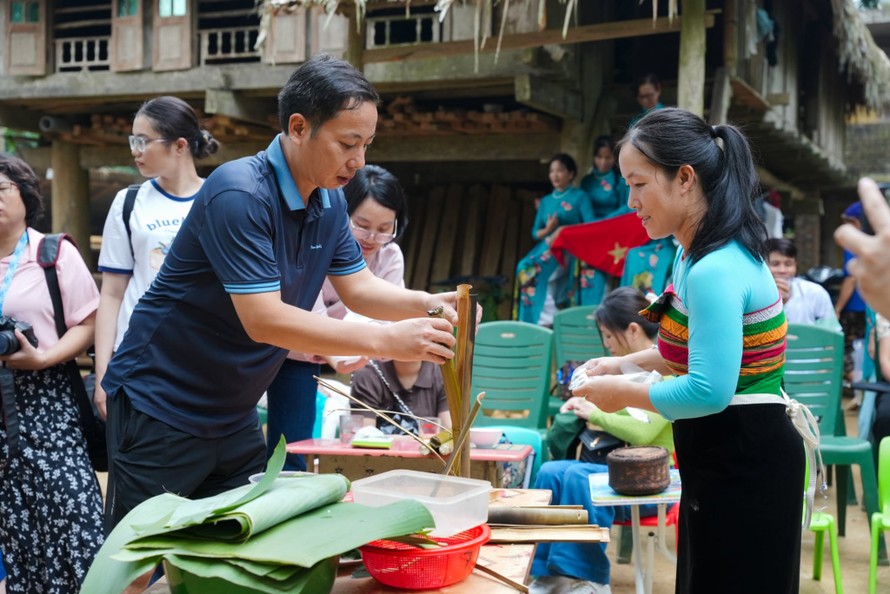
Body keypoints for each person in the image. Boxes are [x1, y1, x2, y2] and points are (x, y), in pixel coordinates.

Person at [101, 55, 466, 546]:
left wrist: (430, 304)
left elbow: (358, 287)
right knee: (136, 559)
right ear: (299, 127)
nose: (358, 161)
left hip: (232, 414)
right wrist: (386, 339)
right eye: (347, 143)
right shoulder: (240, 192)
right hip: (161, 405)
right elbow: (264, 319)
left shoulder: (329, 199)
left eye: (367, 145)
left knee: (241, 551)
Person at [573, 108, 805, 593]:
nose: (630, 201)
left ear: (684, 178)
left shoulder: (713, 268)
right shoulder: (692, 253)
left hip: (746, 455)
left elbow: (708, 390)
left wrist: (622, 392)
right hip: (719, 453)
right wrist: (624, 361)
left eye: (638, 184)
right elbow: (690, 349)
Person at [0, 154, 104, 593]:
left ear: (25, 196)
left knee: (74, 516)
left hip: (49, 398)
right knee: (16, 526)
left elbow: (90, 321)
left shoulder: (53, 253)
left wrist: (43, 358)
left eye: (0, 191)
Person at [266, 164, 408, 470]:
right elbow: (309, 315)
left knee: (309, 451)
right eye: (362, 224)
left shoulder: (390, 256)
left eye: (385, 229)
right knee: (275, 445)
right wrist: (342, 352)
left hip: (333, 355)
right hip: (287, 347)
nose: (372, 238)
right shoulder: (313, 243)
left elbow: (387, 314)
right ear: (340, 213)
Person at [530, 287, 672, 594]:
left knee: (579, 477)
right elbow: (617, 420)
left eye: (609, 336)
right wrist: (582, 408)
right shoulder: (622, 372)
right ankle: (548, 575)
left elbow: (643, 433)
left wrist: (594, 413)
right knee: (551, 473)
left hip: (653, 481)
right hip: (613, 473)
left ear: (633, 330)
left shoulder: (667, 372)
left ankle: (588, 579)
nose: (606, 344)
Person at [94, 96, 219, 419]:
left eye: (143, 141)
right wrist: (103, 371)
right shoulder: (129, 201)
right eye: (132, 140)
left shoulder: (218, 200)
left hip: (201, 358)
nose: (135, 150)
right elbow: (111, 293)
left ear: (179, 146)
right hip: (137, 358)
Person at [516, 153, 595, 326]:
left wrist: (564, 230)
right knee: (524, 267)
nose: (555, 175)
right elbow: (535, 233)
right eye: (552, 171)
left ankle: (546, 319)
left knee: (536, 270)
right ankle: (539, 318)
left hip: (569, 247)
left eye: (560, 170)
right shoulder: (546, 201)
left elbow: (591, 225)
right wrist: (549, 229)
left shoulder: (580, 196)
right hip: (547, 246)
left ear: (571, 174)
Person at [835, 177, 890, 318]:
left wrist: (838, 308)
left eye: (849, 222)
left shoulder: (859, 247)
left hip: (860, 308)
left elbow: (851, 280)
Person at [350, 358, 451, 434]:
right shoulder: (367, 375)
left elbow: (450, 433)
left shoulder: (442, 374)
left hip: (430, 459)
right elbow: (363, 437)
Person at [766, 237, 841, 331]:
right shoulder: (754, 296)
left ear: (795, 265)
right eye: (775, 264)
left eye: (788, 264)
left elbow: (832, 333)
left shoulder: (815, 292)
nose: (782, 270)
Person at [835, 202, 869, 382]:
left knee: (847, 347)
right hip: (873, 307)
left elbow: (851, 278)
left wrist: (838, 307)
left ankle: (857, 386)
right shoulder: (876, 243)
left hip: (854, 307)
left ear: (857, 222)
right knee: (867, 346)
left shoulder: (854, 244)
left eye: (847, 220)